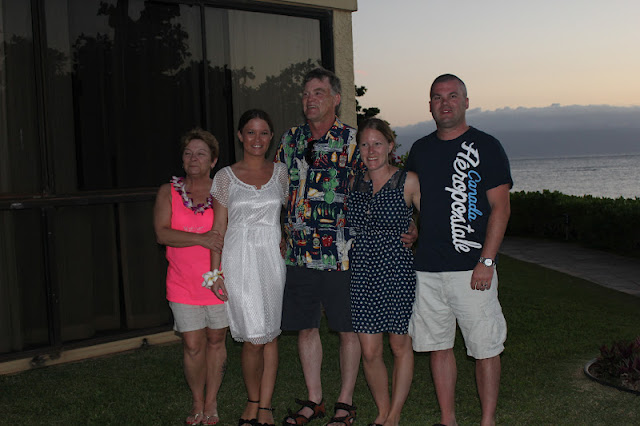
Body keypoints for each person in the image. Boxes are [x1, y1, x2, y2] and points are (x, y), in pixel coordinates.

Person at [406, 74, 512, 426]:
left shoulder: (487, 146)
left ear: (466, 102)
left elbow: (501, 208)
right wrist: (412, 227)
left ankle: (487, 421)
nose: (445, 103)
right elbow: (417, 200)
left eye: (453, 96)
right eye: (438, 97)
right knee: (438, 346)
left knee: (485, 348)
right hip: (428, 269)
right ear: (430, 105)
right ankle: (447, 419)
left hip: (472, 269)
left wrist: (486, 261)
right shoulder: (420, 150)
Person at [276, 67, 362, 426]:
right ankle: (314, 399)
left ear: (336, 99)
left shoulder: (354, 141)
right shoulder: (290, 140)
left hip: (342, 253)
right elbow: (276, 191)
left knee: (346, 328)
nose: (310, 99)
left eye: (318, 92)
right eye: (306, 93)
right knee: (306, 326)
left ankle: (345, 402)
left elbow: (372, 189)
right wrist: (277, 231)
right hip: (298, 252)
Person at [207, 109, 288, 426]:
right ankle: (253, 399)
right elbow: (218, 228)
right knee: (254, 337)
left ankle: (264, 406)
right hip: (238, 260)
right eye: (251, 132)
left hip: (271, 260)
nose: (257, 139)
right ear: (240, 136)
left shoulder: (281, 173)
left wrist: (285, 238)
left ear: (271, 137)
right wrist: (214, 274)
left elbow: (287, 216)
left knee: (271, 335)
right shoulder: (225, 177)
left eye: (264, 132)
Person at [347, 118, 421, 426]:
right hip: (363, 272)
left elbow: (433, 220)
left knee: (399, 345)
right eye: (364, 144)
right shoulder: (353, 183)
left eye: (377, 143)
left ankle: (394, 414)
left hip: (396, 271)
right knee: (369, 350)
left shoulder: (408, 181)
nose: (371, 150)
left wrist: (416, 230)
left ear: (390, 146)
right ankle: (382, 409)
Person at [153, 128, 228, 426]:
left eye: (201, 153)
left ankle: (212, 403)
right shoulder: (168, 192)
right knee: (193, 344)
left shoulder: (222, 192)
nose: (193, 158)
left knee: (216, 340)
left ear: (213, 160)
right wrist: (201, 239)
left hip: (218, 279)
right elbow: (162, 234)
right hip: (182, 281)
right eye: (188, 153)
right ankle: (197, 401)